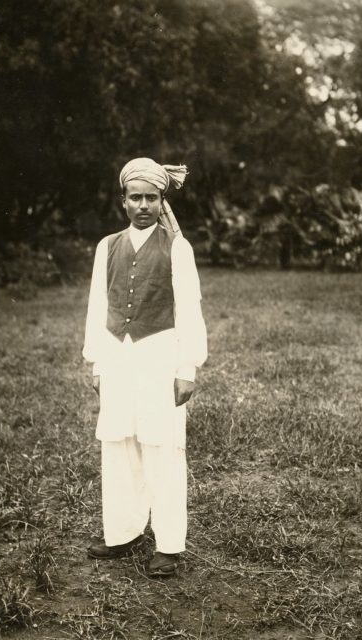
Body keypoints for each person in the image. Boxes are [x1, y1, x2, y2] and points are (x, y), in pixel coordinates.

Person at [82, 157, 207, 577]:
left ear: (161, 201)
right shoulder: (107, 246)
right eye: (135, 197)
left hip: (159, 355)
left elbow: (190, 309)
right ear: (123, 201)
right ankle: (122, 532)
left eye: (151, 198)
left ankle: (168, 544)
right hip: (118, 355)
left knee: (162, 447)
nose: (143, 205)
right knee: (118, 443)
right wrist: (97, 361)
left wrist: (187, 366)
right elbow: (98, 306)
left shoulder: (178, 247)